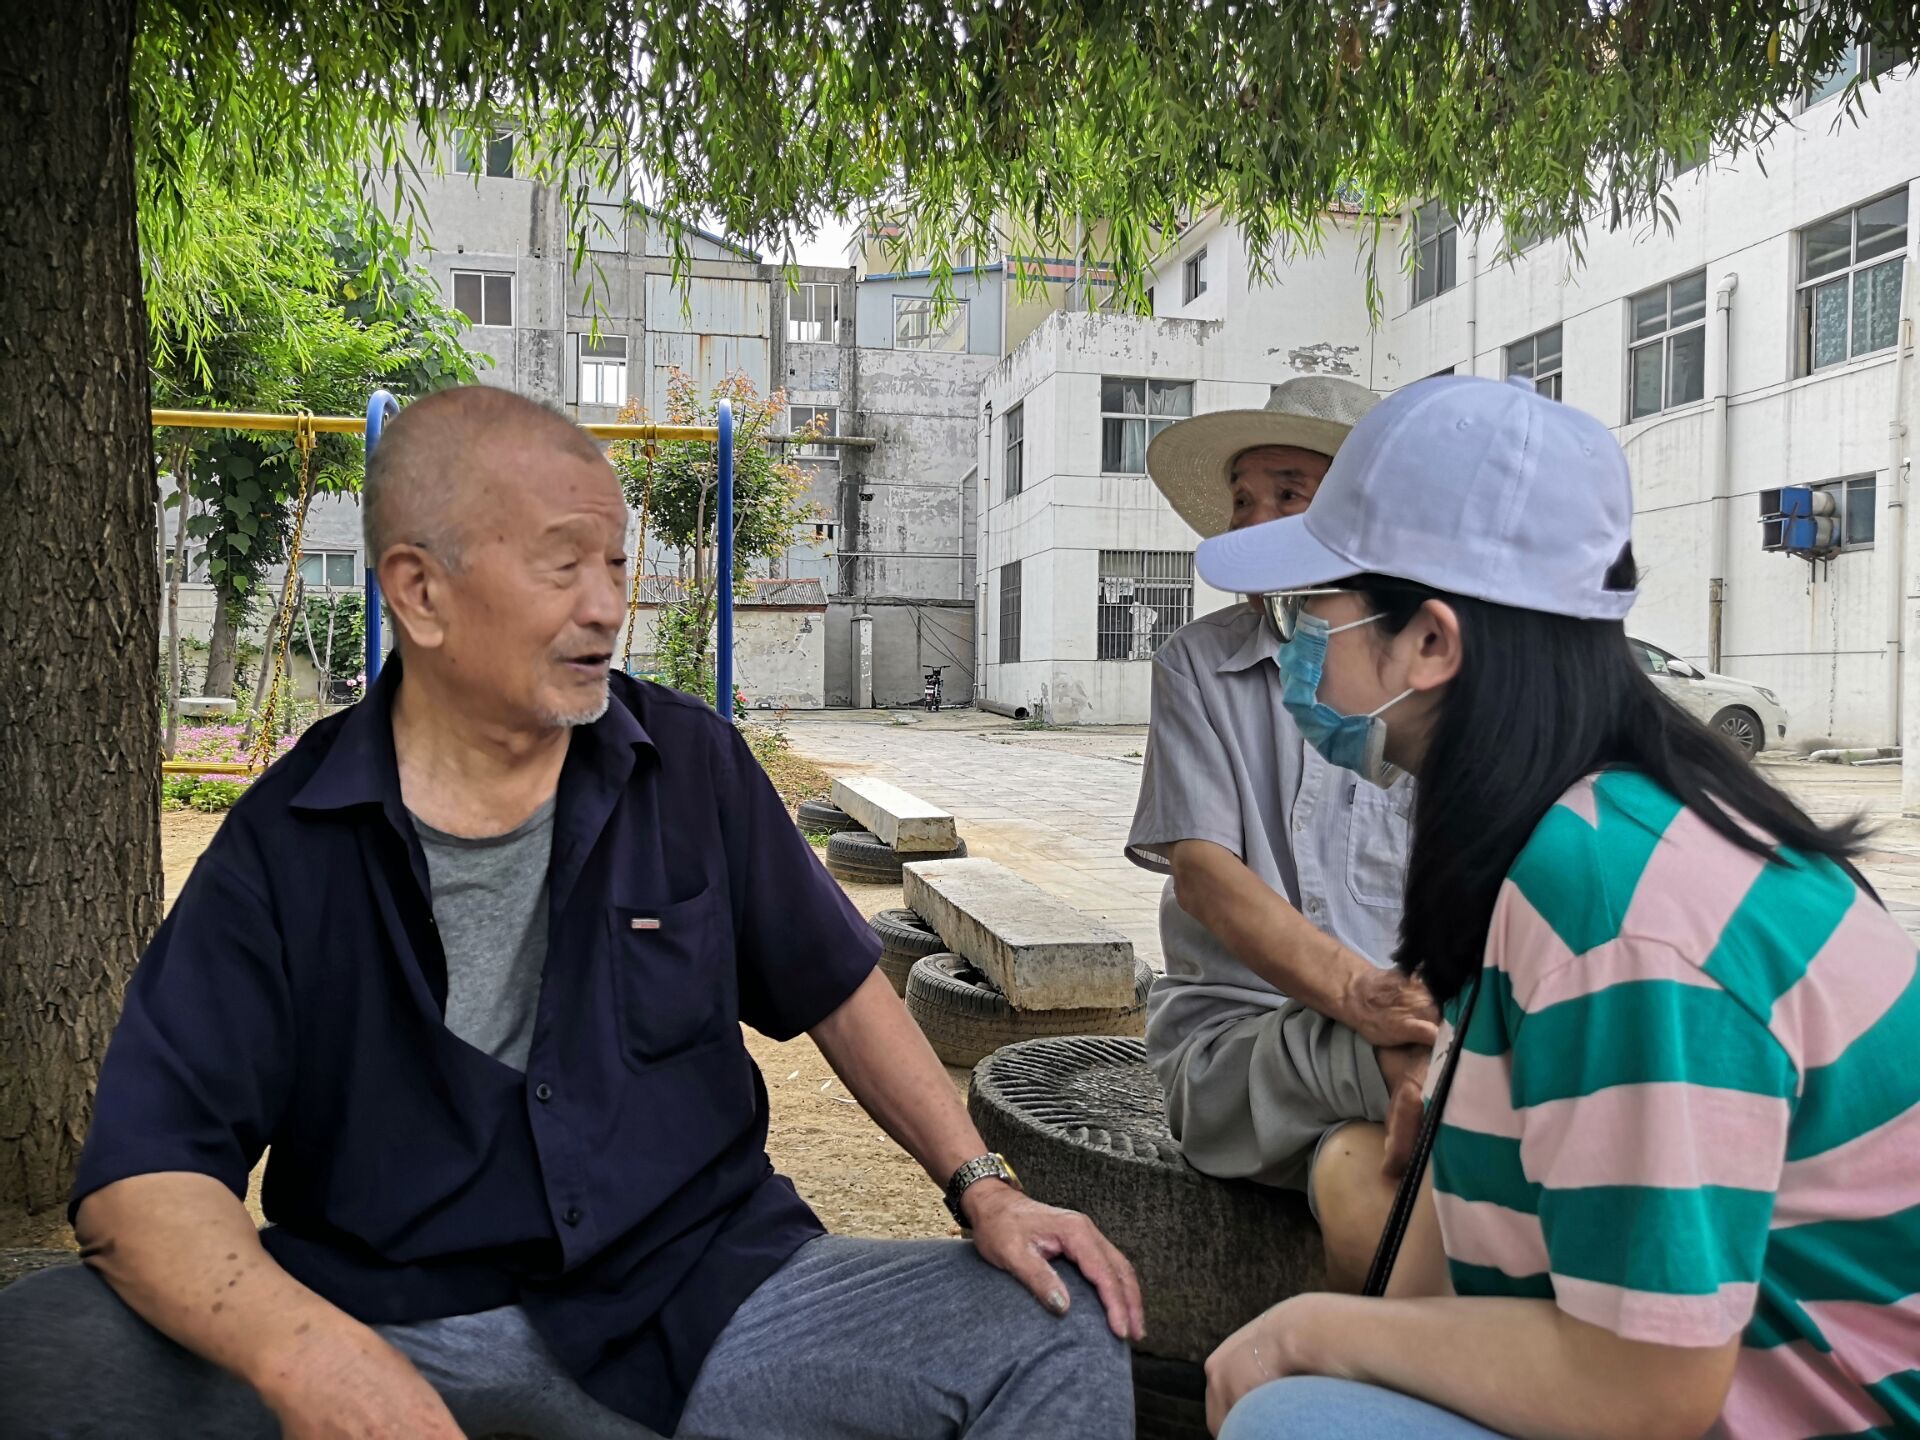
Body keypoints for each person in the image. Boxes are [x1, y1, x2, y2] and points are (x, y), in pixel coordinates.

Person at [0, 386, 1143, 1440]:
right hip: (388, 1310)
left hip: (705, 1303)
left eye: (614, 562)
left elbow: (839, 988)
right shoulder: (287, 840)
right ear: (420, 592)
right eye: (563, 568)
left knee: (1050, 1323)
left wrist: (980, 1184)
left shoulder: (689, 765)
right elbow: (144, 1179)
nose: (608, 607)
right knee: (45, 1351)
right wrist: (317, 1362)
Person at [1195, 374, 1920, 1439]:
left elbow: (1648, 1385)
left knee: (1295, 1413)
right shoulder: (1603, 827)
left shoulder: (1618, 905)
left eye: (1320, 610)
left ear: (1431, 644)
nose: (1300, 644)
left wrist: (1303, 1332)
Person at [1125, 376, 1438, 1290]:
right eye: (1244, 500)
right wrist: (1372, 1006)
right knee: (1461, 1081)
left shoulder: (1418, 667)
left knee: (1360, 1174)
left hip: (1393, 1044)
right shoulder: (1197, 665)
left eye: (1289, 495)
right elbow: (1205, 876)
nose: (1256, 518)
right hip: (1239, 1048)